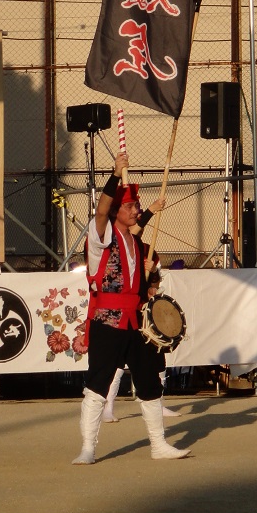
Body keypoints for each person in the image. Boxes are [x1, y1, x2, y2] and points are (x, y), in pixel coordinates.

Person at [72, 152, 190, 464]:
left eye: (136, 206)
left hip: (137, 321)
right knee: (98, 383)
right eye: (130, 206)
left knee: (149, 381)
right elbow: (100, 212)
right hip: (108, 320)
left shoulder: (135, 242)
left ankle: (158, 445)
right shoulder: (100, 241)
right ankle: (88, 448)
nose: (136, 210)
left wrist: (150, 282)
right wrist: (114, 175)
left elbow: (143, 283)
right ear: (116, 211)